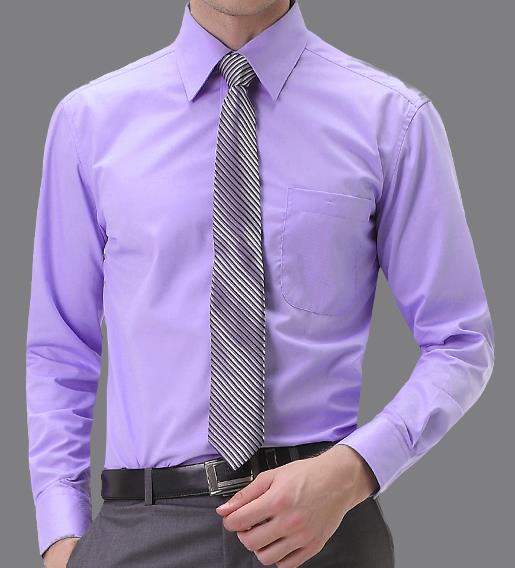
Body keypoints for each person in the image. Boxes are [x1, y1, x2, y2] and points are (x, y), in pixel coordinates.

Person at [26, 1, 495, 567]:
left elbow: (460, 342)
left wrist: (353, 470)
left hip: (324, 529)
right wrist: (61, 537)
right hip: (142, 531)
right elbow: (60, 348)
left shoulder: (391, 120)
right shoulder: (89, 122)